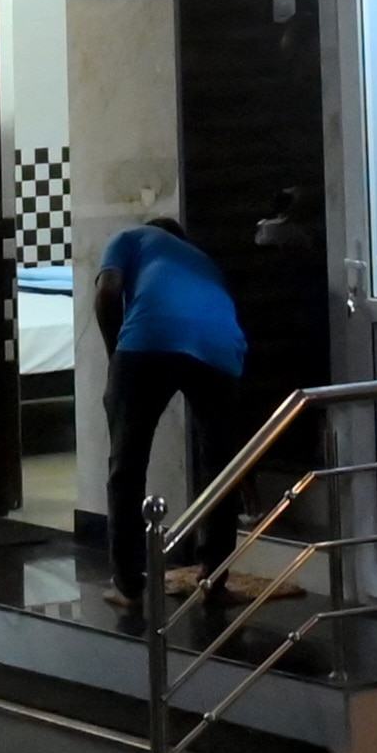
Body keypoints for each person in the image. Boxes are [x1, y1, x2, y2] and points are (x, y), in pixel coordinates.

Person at [94, 215, 253, 613]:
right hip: (221, 347)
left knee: (127, 464)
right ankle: (214, 580)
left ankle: (129, 585)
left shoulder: (129, 237)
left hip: (149, 338)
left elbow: (108, 290)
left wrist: (116, 356)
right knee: (220, 467)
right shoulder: (201, 259)